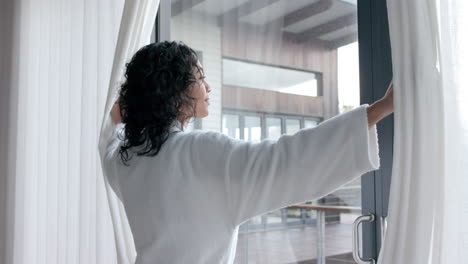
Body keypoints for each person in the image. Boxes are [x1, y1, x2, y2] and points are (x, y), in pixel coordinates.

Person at [103, 41, 394, 264]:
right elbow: (286, 160)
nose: (208, 87)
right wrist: (380, 109)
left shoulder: (125, 159)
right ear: (176, 91)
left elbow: (109, 137)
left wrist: (126, 113)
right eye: (200, 77)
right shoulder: (202, 154)